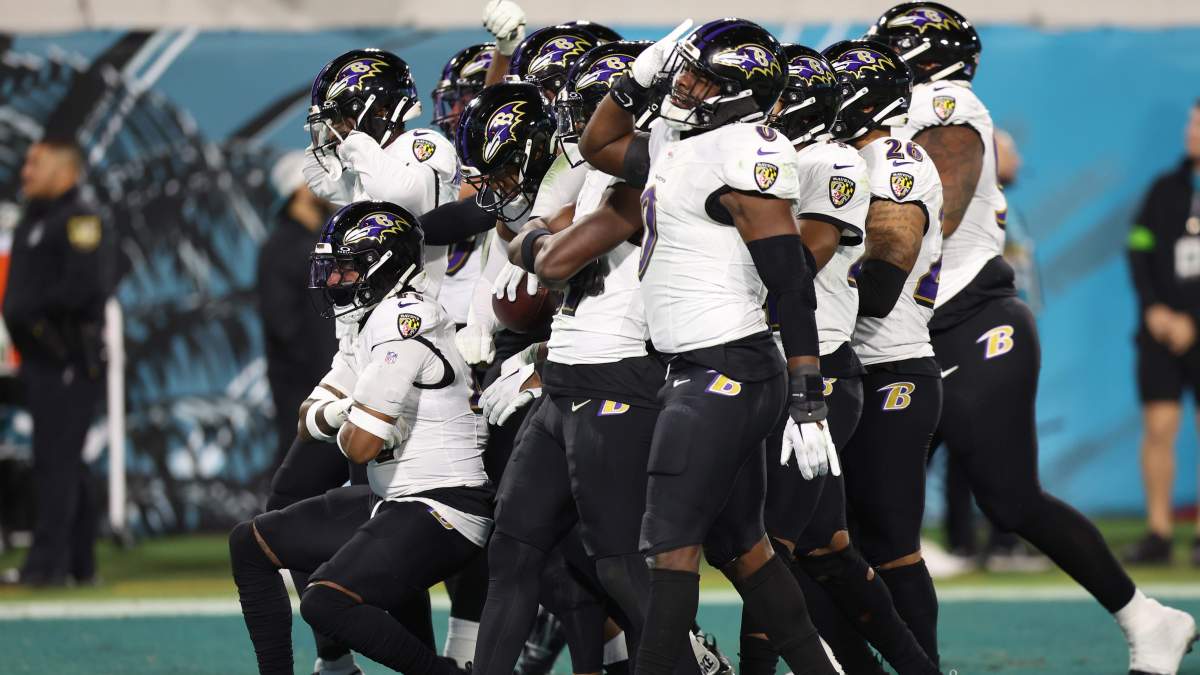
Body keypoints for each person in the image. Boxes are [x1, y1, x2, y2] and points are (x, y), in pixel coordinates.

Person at [870, 3, 1198, 672]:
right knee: (867, 517)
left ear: (923, 59)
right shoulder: (892, 117)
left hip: (968, 323)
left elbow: (927, 219)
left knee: (1009, 499)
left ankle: (1147, 618)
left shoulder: (946, 105)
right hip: (907, 334)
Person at [581, 18, 840, 675]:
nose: (685, 85)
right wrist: (633, 79)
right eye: (687, 71)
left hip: (726, 368)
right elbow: (598, 143)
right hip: (701, 366)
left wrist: (809, 395)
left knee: (670, 547)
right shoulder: (680, 140)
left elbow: (789, 278)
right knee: (745, 549)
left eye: (702, 78)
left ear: (740, 93)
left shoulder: (746, 150)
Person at [740, 43, 938, 675]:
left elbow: (842, 279)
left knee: (784, 547)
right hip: (819, 361)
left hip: (848, 363)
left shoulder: (853, 160)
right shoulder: (792, 155)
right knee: (825, 548)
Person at [229, 201, 489, 675]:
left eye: (346, 268)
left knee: (325, 602)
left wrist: (350, 421)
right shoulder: (367, 320)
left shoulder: (404, 320)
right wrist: (349, 411)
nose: (334, 279)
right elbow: (309, 419)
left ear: (385, 266)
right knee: (250, 544)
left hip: (444, 506)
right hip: (394, 499)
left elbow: (359, 447)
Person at [0, 137, 117, 587]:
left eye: (36, 163)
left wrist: (39, 321)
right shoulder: (35, 218)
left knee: (56, 462)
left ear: (65, 170)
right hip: (39, 360)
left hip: (67, 358)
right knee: (63, 460)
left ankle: (45, 566)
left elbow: (85, 288)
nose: (25, 171)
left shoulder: (79, 219)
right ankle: (79, 564)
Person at [1126, 100, 1200, 567]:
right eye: (1192, 122)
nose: (1191, 131)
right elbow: (1139, 248)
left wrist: (1193, 317)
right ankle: (1159, 532)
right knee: (1159, 428)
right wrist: (1154, 308)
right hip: (1159, 329)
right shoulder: (1164, 189)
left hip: (1195, 326)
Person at [257, 151, 337, 468]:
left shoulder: (324, 244)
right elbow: (284, 325)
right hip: (304, 393)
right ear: (300, 189)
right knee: (302, 474)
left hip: (332, 389)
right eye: (317, 179)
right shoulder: (280, 248)